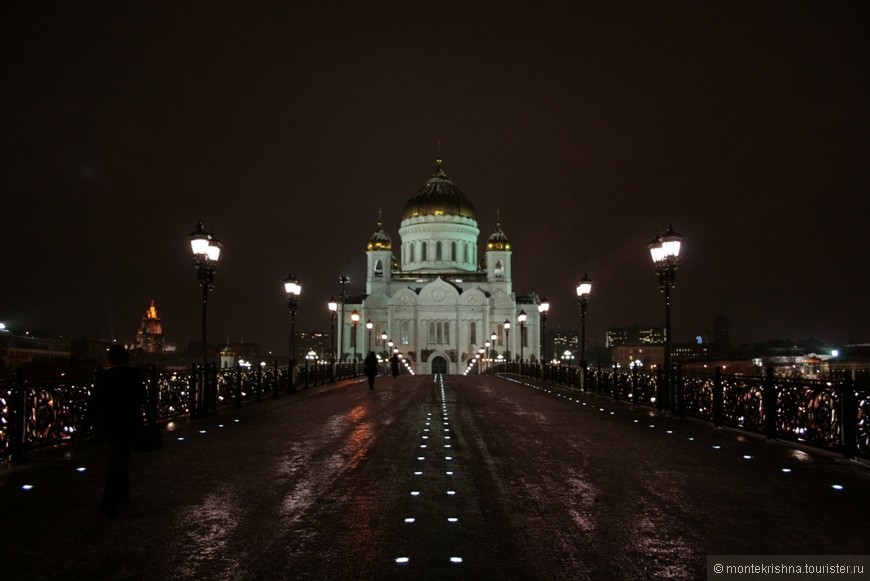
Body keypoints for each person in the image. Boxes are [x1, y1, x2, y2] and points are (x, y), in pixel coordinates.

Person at [84, 345, 147, 517]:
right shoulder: (134, 375)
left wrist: (83, 430)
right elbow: (143, 398)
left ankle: (114, 498)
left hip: (109, 424)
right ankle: (115, 497)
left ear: (109, 360)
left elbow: (93, 404)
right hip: (130, 422)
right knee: (120, 458)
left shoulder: (104, 376)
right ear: (127, 359)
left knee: (117, 457)